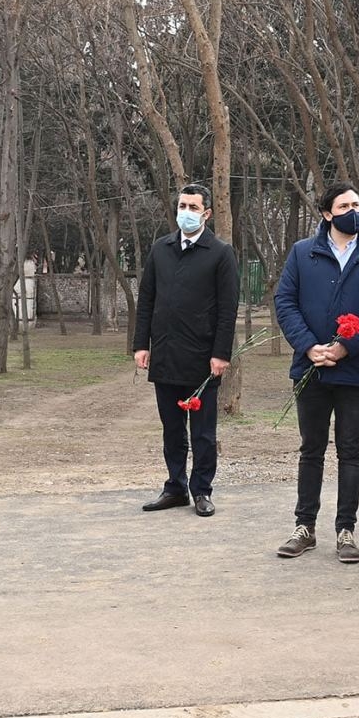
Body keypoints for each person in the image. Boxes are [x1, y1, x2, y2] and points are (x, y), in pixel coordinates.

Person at [274, 184, 359, 563]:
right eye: (344, 205)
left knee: (350, 450)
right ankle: (304, 527)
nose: (353, 211)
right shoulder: (302, 253)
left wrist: (347, 347)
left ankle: (346, 530)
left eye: (357, 204)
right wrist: (309, 346)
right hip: (310, 369)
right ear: (327, 213)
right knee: (311, 449)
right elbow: (285, 301)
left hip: (354, 370)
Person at [133, 183, 241, 517]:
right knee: (172, 429)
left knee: (203, 432)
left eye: (194, 208)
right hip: (165, 353)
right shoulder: (160, 249)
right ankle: (175, 486)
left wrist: (221, 353)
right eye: (183, 206)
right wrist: (141, 344)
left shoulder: (220, 253)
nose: (187, 213)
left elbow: (227, 309)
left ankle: (202, 490)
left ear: (206, 213)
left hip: (204, 358)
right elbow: (147, 299)